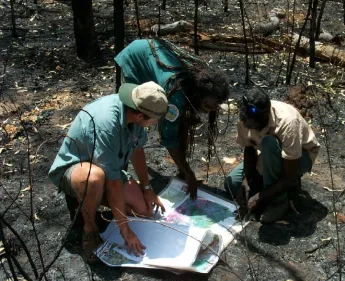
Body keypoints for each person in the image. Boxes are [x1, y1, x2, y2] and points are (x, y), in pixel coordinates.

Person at [48, 81, 168, 263]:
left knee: (144, 211)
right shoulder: (107, 124)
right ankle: (90, 229)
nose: (156, 123)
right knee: (95, 179)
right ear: (140, 115)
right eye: (155, 120)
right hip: (77, 170)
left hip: (107, 169)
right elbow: (112, 183)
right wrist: (125, 232)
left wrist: (146, 188)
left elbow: (137, 149)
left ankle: (95, 205)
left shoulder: (136, 113)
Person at [115, 38, 230, 199]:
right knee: (135, 116)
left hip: (151, 53)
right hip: (136, 58)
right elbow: (169, 138)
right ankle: (120, 174)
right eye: (206, 106)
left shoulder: (206, 78)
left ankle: (180, 171)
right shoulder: (176, 96)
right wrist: (187, 171)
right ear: (199, 94)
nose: (208, 111)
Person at [225, 88, 320, 223]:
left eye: (251, 125)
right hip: (267, 154)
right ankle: (275, 188)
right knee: (233, 184)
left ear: (263, 118)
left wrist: (261, 197)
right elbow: (249, 148)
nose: (246, 126)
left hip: (300, 157)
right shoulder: (246, 118)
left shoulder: (287, 122)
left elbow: (289, 175)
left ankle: (279, 202)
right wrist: (246, 180)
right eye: (245, 123)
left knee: (268, 143)